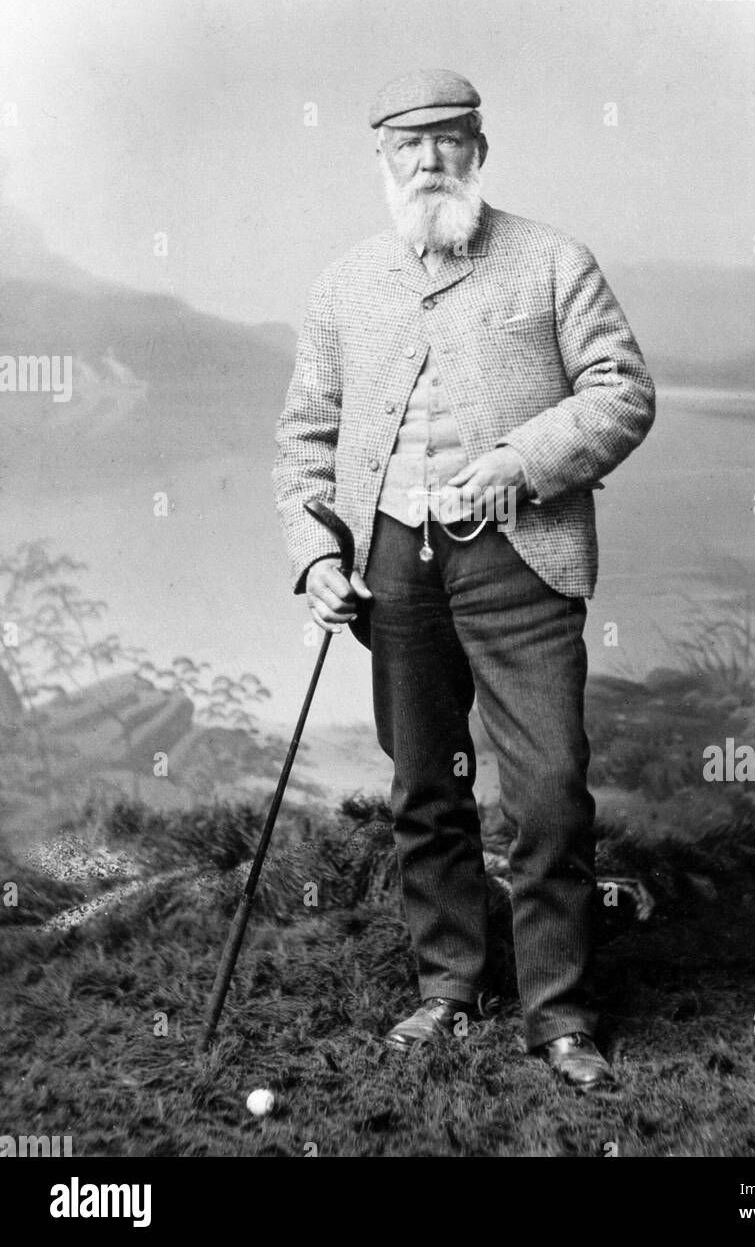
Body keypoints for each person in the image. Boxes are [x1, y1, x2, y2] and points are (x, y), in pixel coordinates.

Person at [273, 68, 655, 1088]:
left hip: (520, 562)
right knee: (424, 788)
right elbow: (304, 441)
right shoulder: (343, 285)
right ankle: (449, 985)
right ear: (383, 161)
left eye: (449, 140)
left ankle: (561, 1014)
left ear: (480, 148)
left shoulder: (551, 263)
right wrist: (317, 553)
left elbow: (624, 392)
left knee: (548, 793)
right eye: (410, 144)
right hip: (391, 569)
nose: (430, 159)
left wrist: (519, 460)